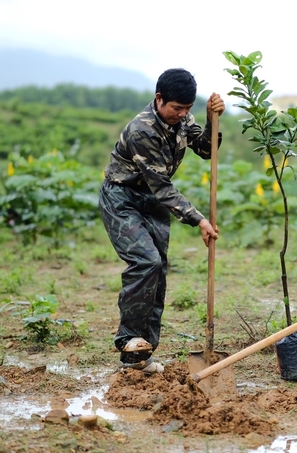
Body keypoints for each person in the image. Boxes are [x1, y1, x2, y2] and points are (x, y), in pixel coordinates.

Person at [99, 68, 225, 374]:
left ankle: (140, 357)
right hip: (123, 198)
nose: (182, 115)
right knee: (146, 263)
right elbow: (161, 185)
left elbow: (207, 150)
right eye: (176, 108)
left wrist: (210, 120)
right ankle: (129, 340)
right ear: (159, 99)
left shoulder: (183, 119)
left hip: (152, 203)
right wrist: (198, 220)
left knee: (158, 275)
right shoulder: (141, 129)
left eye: (187, 109)